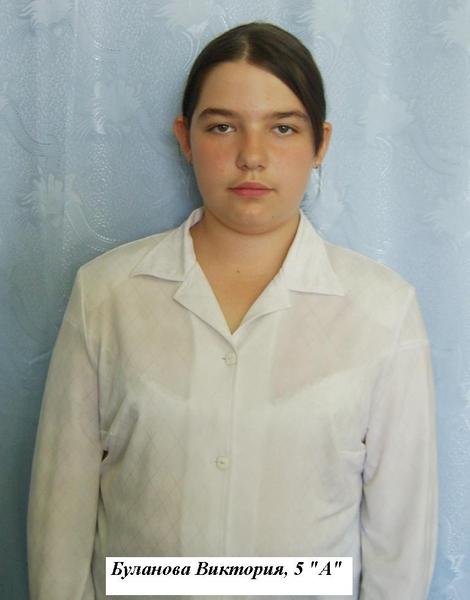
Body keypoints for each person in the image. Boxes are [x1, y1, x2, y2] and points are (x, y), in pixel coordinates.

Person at [27, 22, 437, 600]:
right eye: (222, 126)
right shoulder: (107, 294)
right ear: (185, 138)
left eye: (283, 128)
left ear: (320, 143)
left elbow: (400, 544)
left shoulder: (382, 310)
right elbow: (60, 519)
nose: (252, 157)